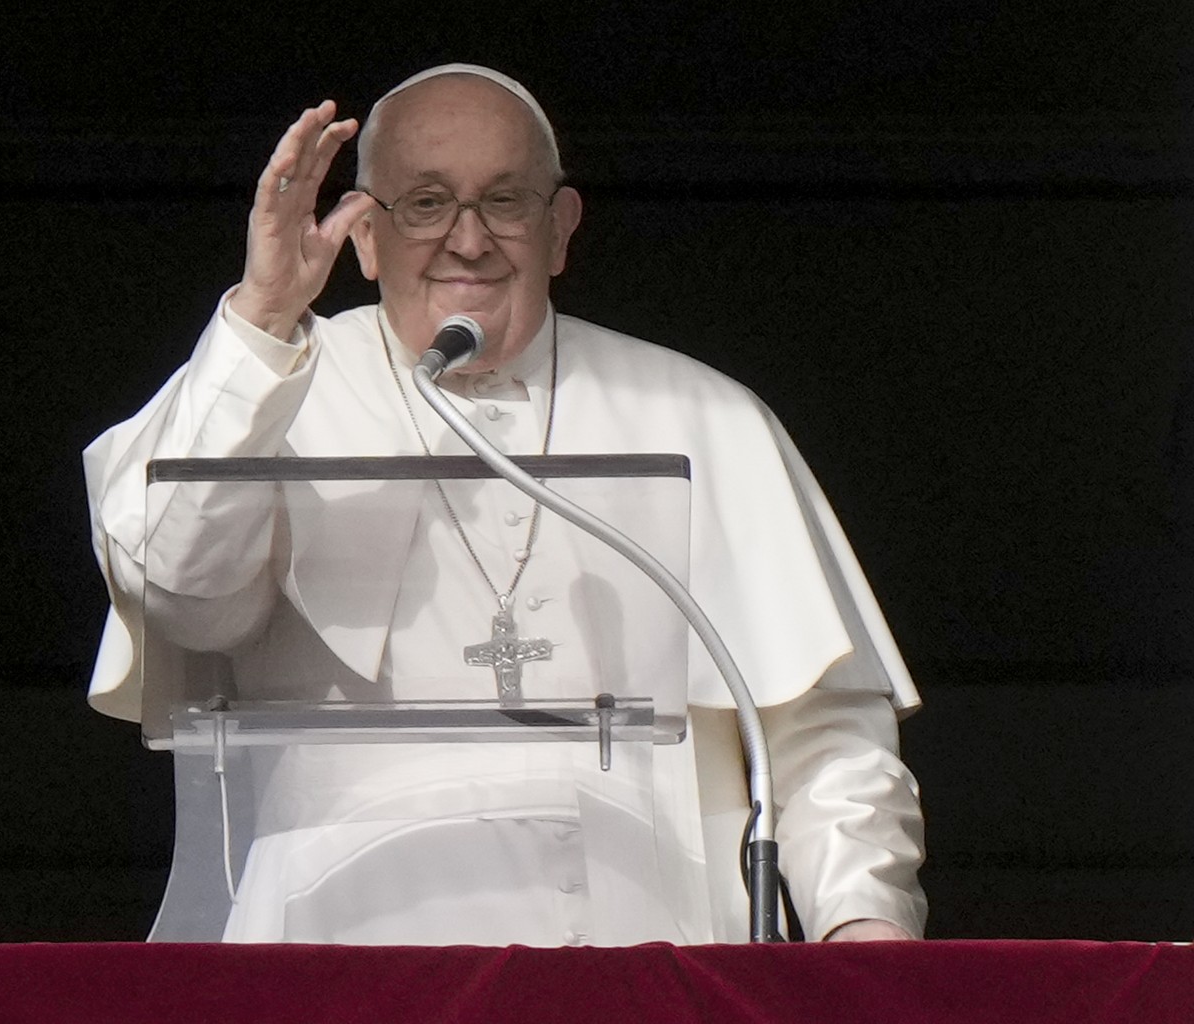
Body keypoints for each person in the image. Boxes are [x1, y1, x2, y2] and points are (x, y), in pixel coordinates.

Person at [84, 64, 926, 945]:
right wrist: (262, 315)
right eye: (425, 203)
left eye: (505, 201)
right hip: (336, 952)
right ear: (363, 236)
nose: (469, 240)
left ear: (560, 229)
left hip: (648, 945)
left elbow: (820, 729)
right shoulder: (259, 392)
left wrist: (863, 932)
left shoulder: (701, 414)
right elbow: (180, 596)